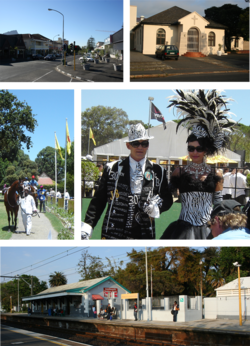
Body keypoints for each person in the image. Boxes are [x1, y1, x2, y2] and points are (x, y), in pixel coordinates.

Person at [161, 89, 236, 240]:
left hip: (207, 230)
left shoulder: (216, 174)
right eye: (191, 148)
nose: (194, 152)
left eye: (199, 148)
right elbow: (166, 196)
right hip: (181, 230)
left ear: (206, 150)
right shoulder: (179, 172)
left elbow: (218, 203)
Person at [81, 123, 173, 240]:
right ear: (128, 145)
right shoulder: (111, 168)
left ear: (148, 145)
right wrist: (88, 225)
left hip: (144, 231)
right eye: (136, 143)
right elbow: (98, 201)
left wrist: (156, 207)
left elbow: (167, 198)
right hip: (114, 230)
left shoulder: (158, 171)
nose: (140, 147)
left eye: (144, 143)